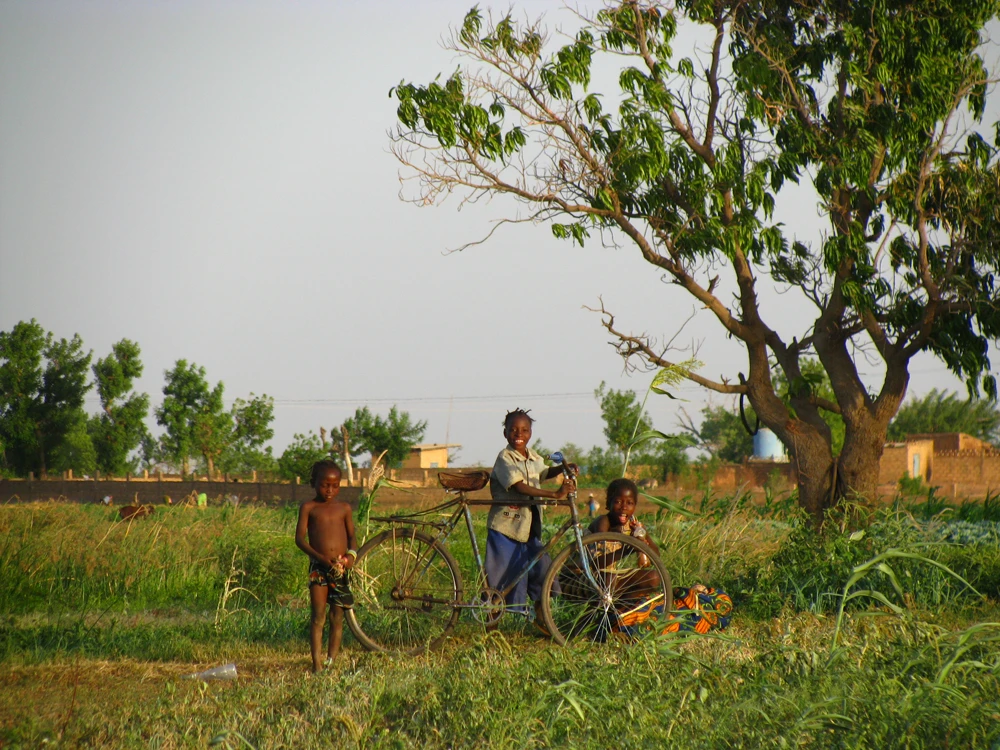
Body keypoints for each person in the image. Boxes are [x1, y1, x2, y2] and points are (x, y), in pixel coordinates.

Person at [594, 478, 733, 635]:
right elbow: (597, 562)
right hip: (590, 575)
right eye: (618, 502)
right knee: (609, 580)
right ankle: (602, 623)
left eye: (629, 503)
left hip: (612, 576)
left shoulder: (633, 525)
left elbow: (655, 554)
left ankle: (618, 618)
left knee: (653, 577)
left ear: (635, 506)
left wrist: (642, 538)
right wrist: (629, 546)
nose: (624, 507)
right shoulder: (603, 522)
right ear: (608, 503)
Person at [486, 408, 576, 631]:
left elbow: (542, 472)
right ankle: (491, 625)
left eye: (524, 430)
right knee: (501, 577)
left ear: (530, 433)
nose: (519, 434)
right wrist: (554, 494)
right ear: (505, 433)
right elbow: (520, 486)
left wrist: (563, 469)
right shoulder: (505, 458)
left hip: (529, 528)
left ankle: (542, 616)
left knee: (542, 568)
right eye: (513, 430)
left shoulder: (533, 456)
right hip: (507, 527)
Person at [295, 460, 357, 672]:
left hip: (339, 568)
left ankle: (331, 661)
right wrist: (321, 558)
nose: (330, 490)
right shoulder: (309, 508)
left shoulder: (344, 508)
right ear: (314, 483)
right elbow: (300, 539)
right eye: (324, 485)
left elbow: (352, 538)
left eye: (335, 485)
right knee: (318, 616)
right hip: (318, 568)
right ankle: (317, 664)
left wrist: (350, 557)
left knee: (337, 616)